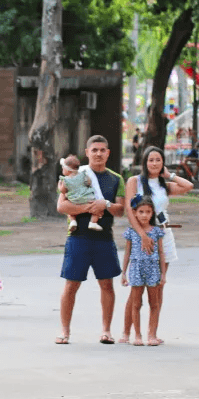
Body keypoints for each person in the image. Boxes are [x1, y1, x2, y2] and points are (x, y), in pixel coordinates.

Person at [56, 135, 126, 345]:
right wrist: (89, 207)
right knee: (71, 285)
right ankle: (64, 331)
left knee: (106, 284)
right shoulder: (77, 174)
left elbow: (121, 209)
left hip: (104, 238)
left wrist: (105, 205)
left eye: (102, 150)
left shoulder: (116, 179)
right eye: (94, 150)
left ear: (108, 153)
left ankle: (106, 331)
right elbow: (62, 206)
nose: (98, 153)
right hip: (78, 237)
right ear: (87, 153)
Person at [120, 146, 194, 344]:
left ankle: (152, 333)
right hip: (140, 234)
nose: (154, 163)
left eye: (158, 160)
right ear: (145, 162)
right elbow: (129, 210)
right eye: (151, 160)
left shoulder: (164, 185)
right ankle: (128, 332)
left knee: (157, 285)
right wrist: (143, 234)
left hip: (163, 234)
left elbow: (188, 186)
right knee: (137, 287)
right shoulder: (134, 182)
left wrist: (170, 175)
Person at [120, 196, 166, 346]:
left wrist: (163, 273)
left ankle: (152, 334)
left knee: (154, 303)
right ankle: (137, 335)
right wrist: (123, 272)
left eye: (148, 211)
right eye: (141, 212)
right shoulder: (131, 232)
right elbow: (127, 252)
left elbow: (161, 253)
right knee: (136, 303)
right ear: (135, 213)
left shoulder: (157, 231)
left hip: (153, 269)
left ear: (152, 213)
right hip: (136, 269)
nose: (145, 215)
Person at [58, 154, 103, 233]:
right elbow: (89, 182)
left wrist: (59, 186)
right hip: (87, 198)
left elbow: (63, 191)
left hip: (74, 200)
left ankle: (72, 221)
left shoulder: (65, 180)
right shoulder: (83, 174)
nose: (62, 169)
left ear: (68, 170)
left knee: (70, 211)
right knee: (97, 207)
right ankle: (93, 222)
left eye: (63, 167)